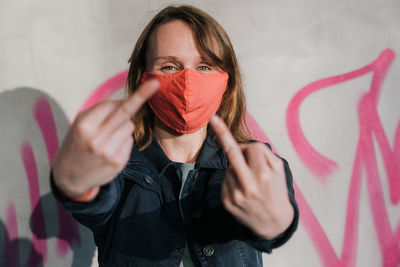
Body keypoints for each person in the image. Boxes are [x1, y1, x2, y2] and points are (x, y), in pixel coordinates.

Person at [50, 5, 299, 267]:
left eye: (204, 66)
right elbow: (92, 198)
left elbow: (271, 224)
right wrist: (74, 184)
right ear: (142, 77)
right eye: (169, 66)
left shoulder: (253, 164)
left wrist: (277, 223)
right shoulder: (115, 165)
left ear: (227, 81)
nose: (188, 81)